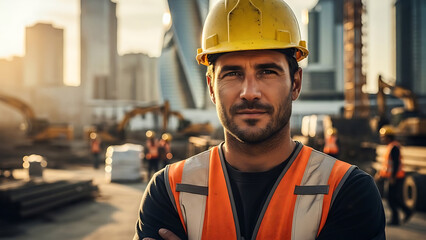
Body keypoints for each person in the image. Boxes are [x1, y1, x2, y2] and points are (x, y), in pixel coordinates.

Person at [134, 1, 385, 239]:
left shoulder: (346, 190)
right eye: (233, 73)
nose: (250, 92)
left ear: (295, 83)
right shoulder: (168, 190)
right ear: (211, 87)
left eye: (267, 72)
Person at [377, 125, 413, 225]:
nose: (382, 138)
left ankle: (396, 219)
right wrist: (380, 174)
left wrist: (393, 176)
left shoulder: (394, 147)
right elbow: (387, 164)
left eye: (383, 136)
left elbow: (396, 163)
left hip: (395, 178)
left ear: (388, 136)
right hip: (391, 177)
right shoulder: (390, 146)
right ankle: (405, 212)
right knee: (393, 198)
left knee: (391, 198)